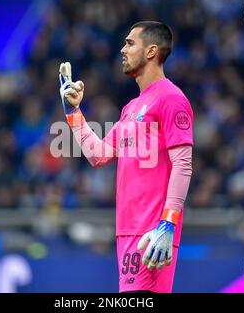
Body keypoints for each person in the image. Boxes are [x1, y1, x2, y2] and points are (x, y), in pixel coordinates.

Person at [58, 21, 193, 293]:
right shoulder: (132, 108)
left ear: (152, 51)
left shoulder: (171, 98)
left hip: (153, 232)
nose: (122, 49)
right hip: (127, 229)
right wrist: (73, 112)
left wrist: (168, 223)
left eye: (130, 43)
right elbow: (98, 155)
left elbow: (183, 163)